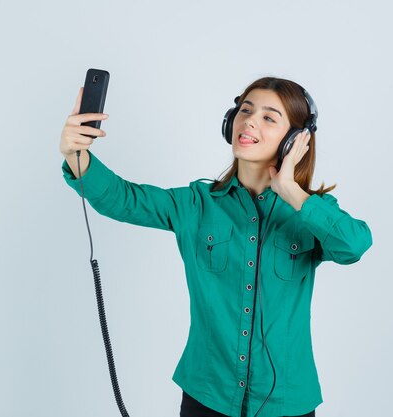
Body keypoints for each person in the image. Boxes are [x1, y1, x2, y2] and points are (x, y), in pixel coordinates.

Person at [59, 76, 373, 417]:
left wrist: (290, 188)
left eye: (269, 117)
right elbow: (123, 199)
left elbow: (353, 245)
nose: (249, 120)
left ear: (296, 140)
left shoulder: (310, 213)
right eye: (244, 110)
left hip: (288, 404)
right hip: (206, 398)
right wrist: (77, 155)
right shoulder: (196, 204)